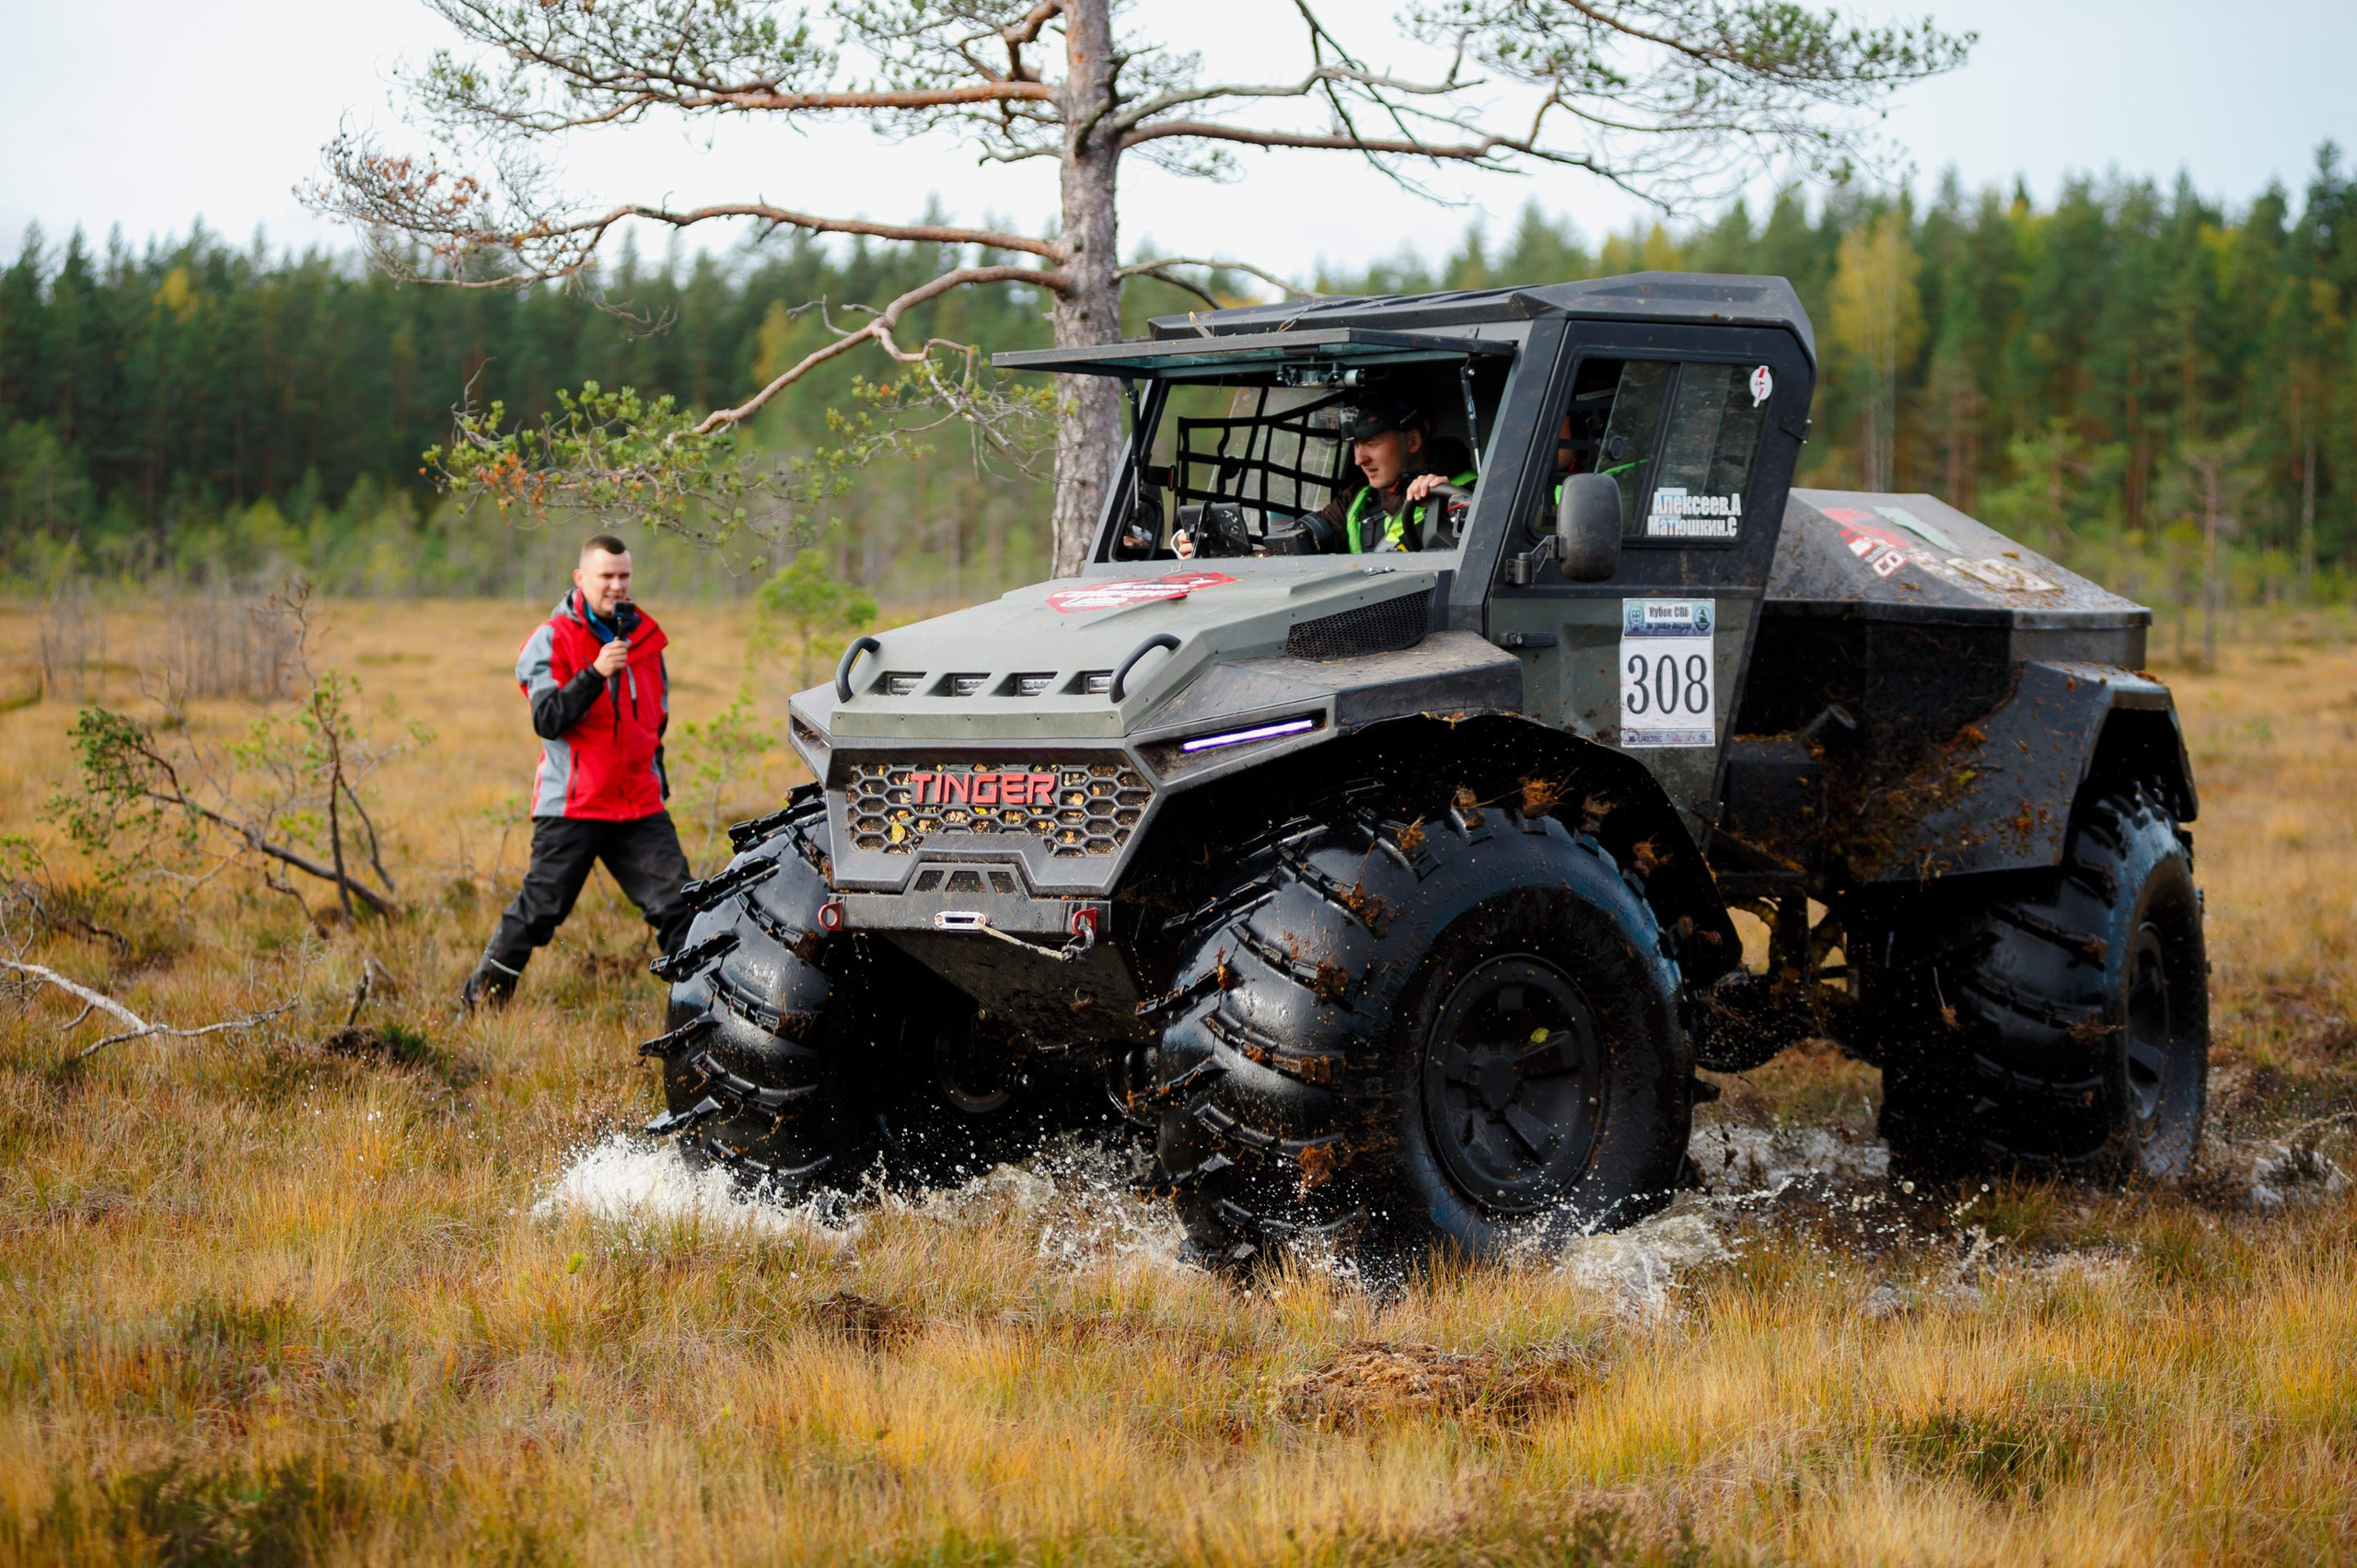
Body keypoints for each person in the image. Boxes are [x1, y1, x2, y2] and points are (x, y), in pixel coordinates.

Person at [459, 534, 694, 1010]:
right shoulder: (551, 639)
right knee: (539, 913)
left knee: (680, 909)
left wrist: (658, 783)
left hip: (639, 807)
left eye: (624, 576)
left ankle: (698, 1010)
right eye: (606, 576)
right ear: (580, 578)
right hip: (574, 804)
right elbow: (547, 719)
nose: (616, 585)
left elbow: (656, 721)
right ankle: (482, 1006)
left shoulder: (647, 639)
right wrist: (595, 672)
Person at [1173, 394, 1473, 557]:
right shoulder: (1358, 499)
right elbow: (1301, 542)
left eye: (1371, 444)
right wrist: (1217, 551)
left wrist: (1449, 504)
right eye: (1355, 445)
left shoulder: (1470, 493)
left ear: (1412, 442)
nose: (1359, 459)